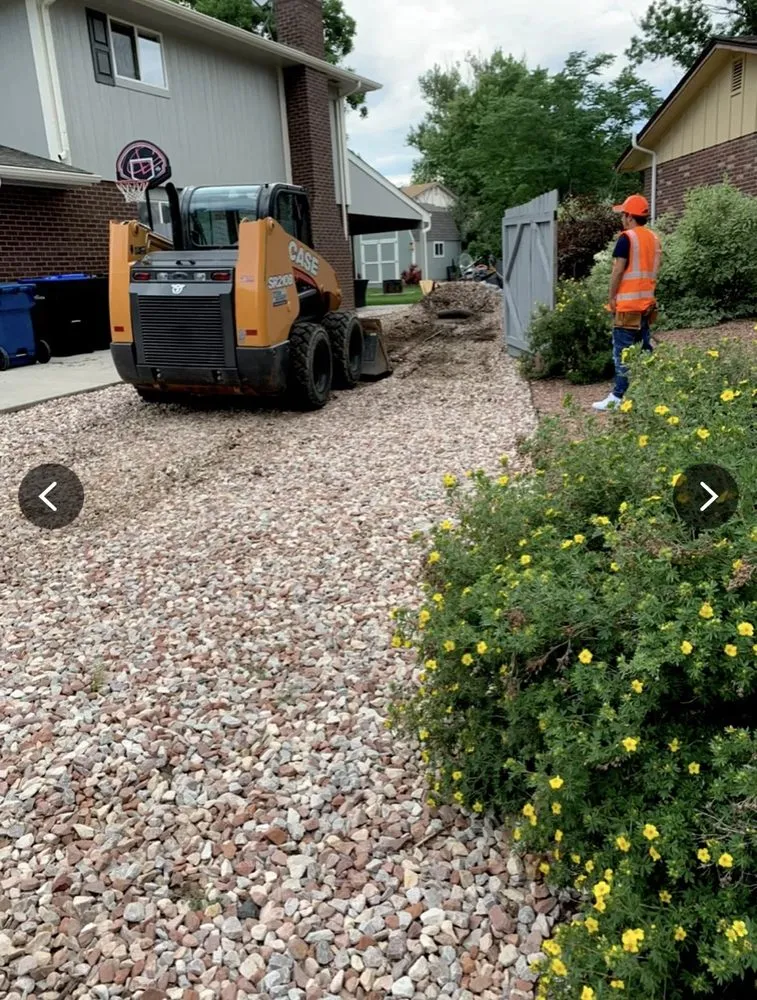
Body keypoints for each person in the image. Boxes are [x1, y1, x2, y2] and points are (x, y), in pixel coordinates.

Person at [592, 194, 661, 411]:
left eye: (623, 214)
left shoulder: (627, 238)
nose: (622, 217)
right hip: (646, 305)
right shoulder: (653, 239)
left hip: (627, 307)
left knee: (622, 352)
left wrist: (612, 297)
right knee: (643, 350)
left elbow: (618, 270)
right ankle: (649, 391)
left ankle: (618, 396)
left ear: (630, 217)